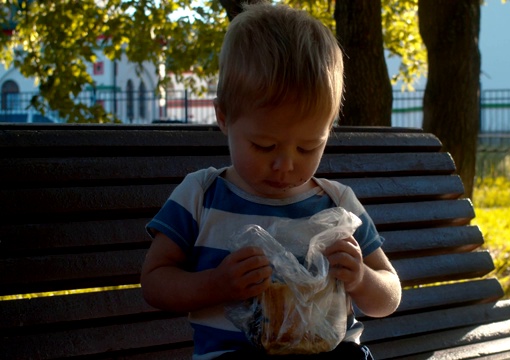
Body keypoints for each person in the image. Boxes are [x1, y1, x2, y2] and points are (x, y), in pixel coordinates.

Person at [140, 2, 402, 359]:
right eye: (264, 146)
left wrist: (361, 278)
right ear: (224, 117)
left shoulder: (338, 204)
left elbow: (389, 295)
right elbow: (154, 283)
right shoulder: (201, 196)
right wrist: (216, 285)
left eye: (308, 147)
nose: (285, 165)